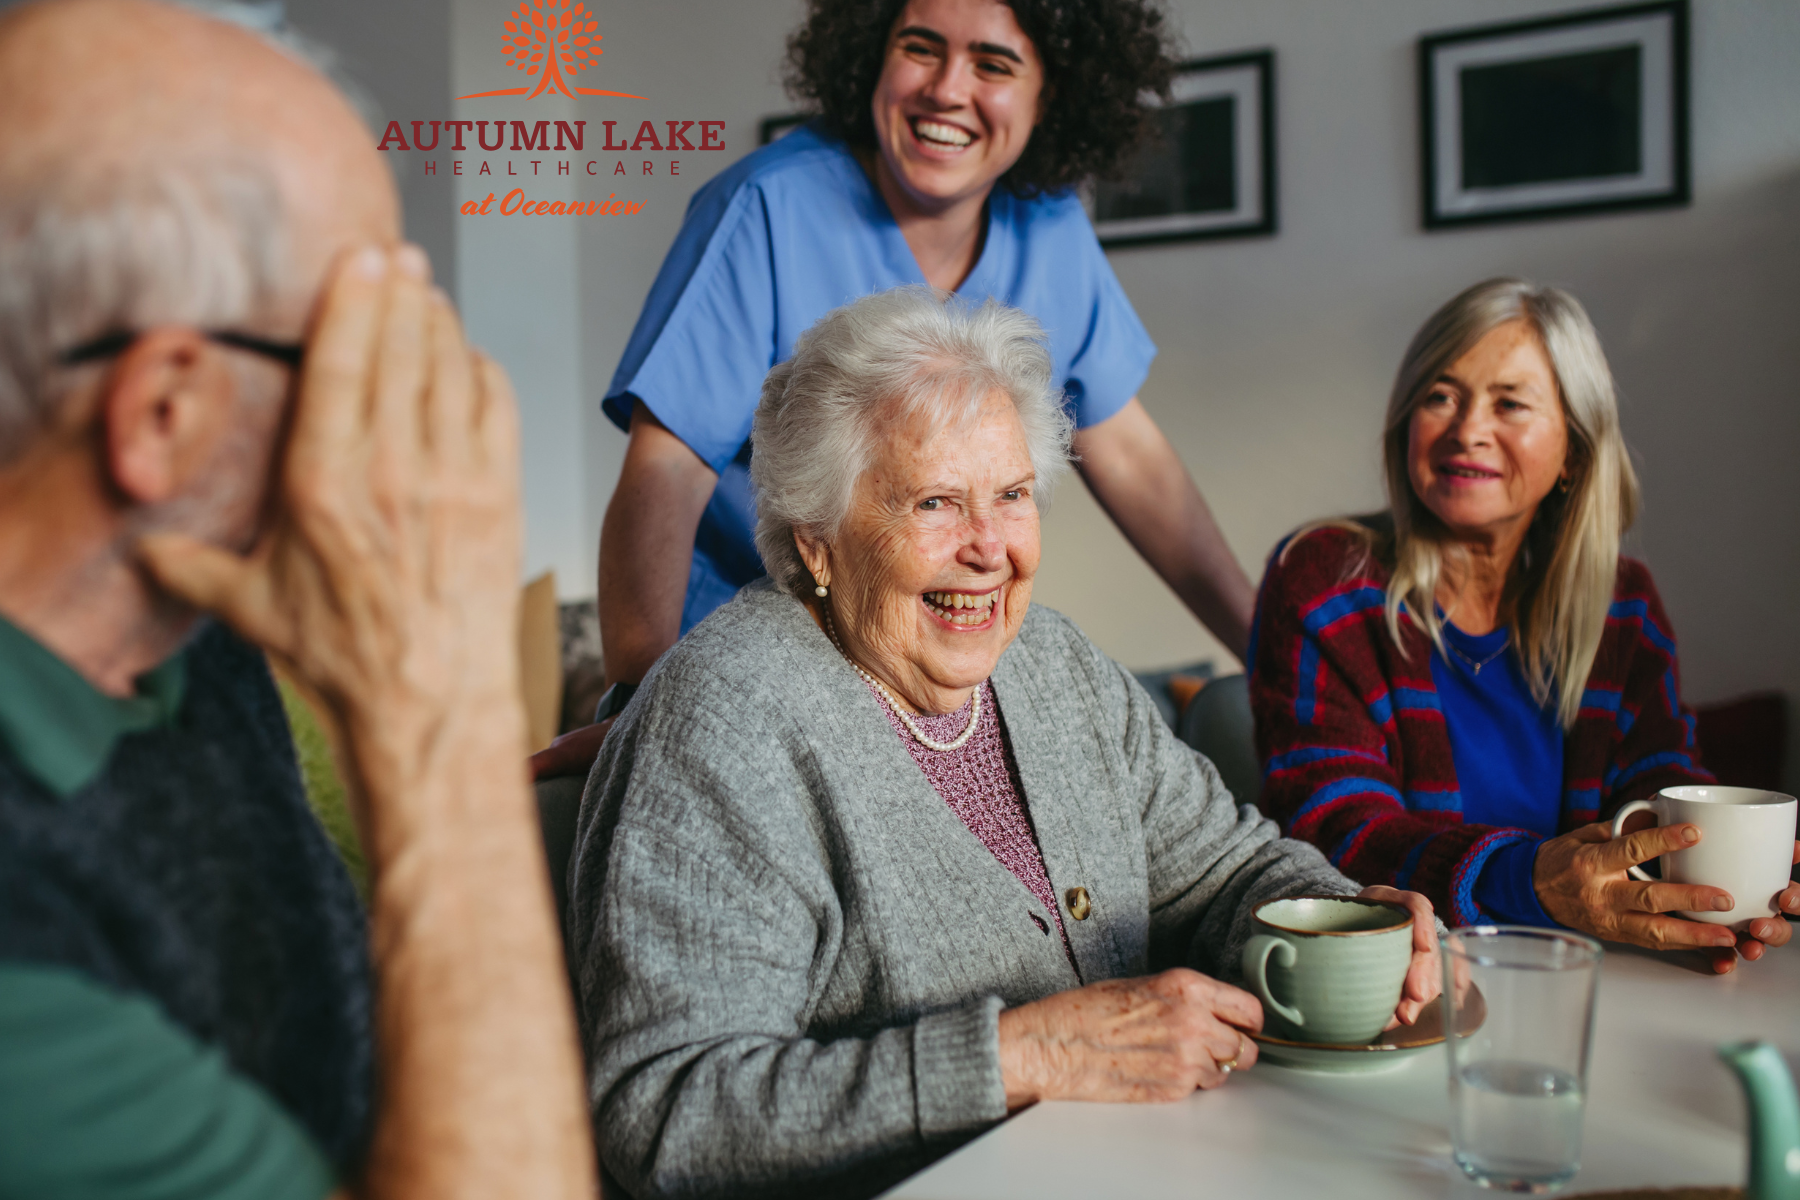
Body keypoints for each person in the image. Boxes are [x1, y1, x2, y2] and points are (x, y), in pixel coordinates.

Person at [567, 288, 1441, 1200]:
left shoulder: (1052, 665)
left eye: (1013, 495)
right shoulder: (729, 721)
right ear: (817, 544)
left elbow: (1227, 875)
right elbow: (666, 1111)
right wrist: (1025, 1053)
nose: (991, 548)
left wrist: (1343, 915)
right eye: (937, 502)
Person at [0, 3, 595, 1197]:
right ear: (166, 413)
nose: (422, 396)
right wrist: (447, 725)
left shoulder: (201, 641)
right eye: (359, 339)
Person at [534, 0, 1257, 777]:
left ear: (1054, 93)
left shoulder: (1049, 226)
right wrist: (649, 703)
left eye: (993, 63)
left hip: (917, 658)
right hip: (745, 653)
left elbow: (1139, 465)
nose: (947, 89)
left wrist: (1271, 652)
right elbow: (663, 472)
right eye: (920, 47)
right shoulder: (769, 207)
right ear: (871, 55)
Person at [1249, 278, 1800, 975]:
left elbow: (1658, 776)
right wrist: (1529, 878)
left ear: (1572, 451)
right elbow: (1334, 830)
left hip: (1588, 975)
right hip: (1402, 979)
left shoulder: (1623, 603)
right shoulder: (1325, 579)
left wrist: (1705, 882)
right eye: (1440, 395)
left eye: (1509, 403)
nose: (1467, 429)